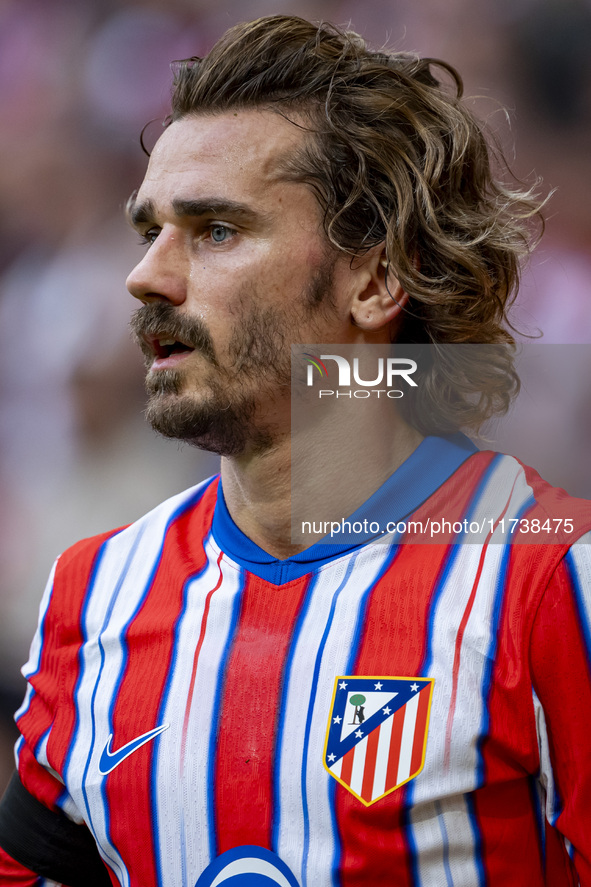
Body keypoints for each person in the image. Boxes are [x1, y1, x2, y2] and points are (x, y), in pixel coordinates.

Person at [0, 14, 590, 887]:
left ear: (376, 279)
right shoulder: (94, 597)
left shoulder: (549, 581)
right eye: (148, 231)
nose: (147, 276)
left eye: (216, 231)